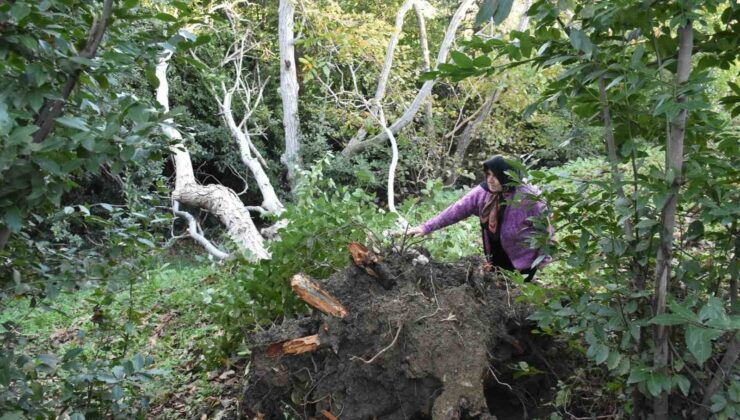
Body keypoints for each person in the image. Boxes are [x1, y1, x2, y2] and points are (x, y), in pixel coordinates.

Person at [407, 155, 553, 281]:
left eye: (496, 175)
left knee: (517, 298)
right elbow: (456, 210)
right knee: (499, 292)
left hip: (523, 261)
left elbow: (545, 228)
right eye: (488, 174)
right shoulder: (484, 192)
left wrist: (544, 258)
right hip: (495, 254)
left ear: (507, 176)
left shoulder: (528, 197)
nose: (490, 180)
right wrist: (426, 227)